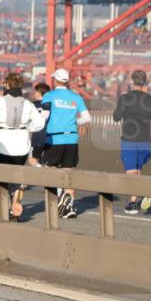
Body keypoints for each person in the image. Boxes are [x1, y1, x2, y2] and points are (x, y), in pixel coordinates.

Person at [0, 72, 45, 222]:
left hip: (4, 144)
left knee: (3, 179)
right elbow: (40, 123)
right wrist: (27, 128)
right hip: (22, 146)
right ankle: (16, 202)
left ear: (7, 85)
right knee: (17, 179)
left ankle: (4, 204)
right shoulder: (27, 103)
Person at [41, 68, 91, 219]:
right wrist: (73, 122)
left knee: (49, 170)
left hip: (54, 138)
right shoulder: (76, 97)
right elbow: (87, 119)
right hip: (72, 138)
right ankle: (69, 206)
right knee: (68, 173)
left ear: (55, 80)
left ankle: (56, 202)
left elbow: (44, 116)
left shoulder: (49, 95)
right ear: (67, 81)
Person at [113, 69, 151, 214]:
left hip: (130, 140)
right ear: (144, 82)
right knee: (138, 170)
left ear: (132, 82)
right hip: (145, 141)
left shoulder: (125, 98)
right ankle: (135, 199)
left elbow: (116, 117)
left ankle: (137, 200)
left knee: (131, 172)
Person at [28, 82, 51, 167]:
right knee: (47, 162)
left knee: (32, 160)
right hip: (50, 136)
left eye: (35, 91)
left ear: (38, 93)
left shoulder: (33, 105)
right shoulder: (51, 105)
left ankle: (39, 170)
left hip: (37, 136)